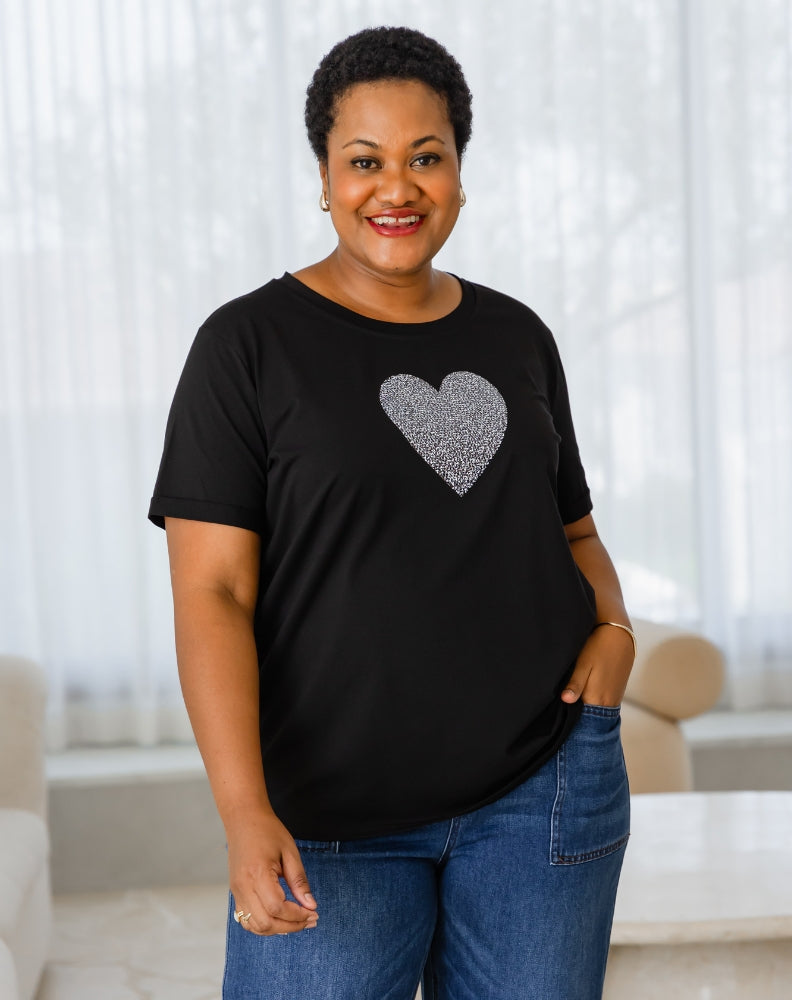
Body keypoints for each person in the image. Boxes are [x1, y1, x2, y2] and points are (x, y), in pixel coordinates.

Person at [149, 25, 635, 1000]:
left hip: (542, 784)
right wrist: (243, 811)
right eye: (365, 160)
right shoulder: (246, 347)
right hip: (327, 811)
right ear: (325, 178)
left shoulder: (517, 335)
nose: (397, 188)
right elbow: (214, 594)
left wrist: (615, 634)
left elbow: (573, 531)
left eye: (427, 156)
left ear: (460, 172)